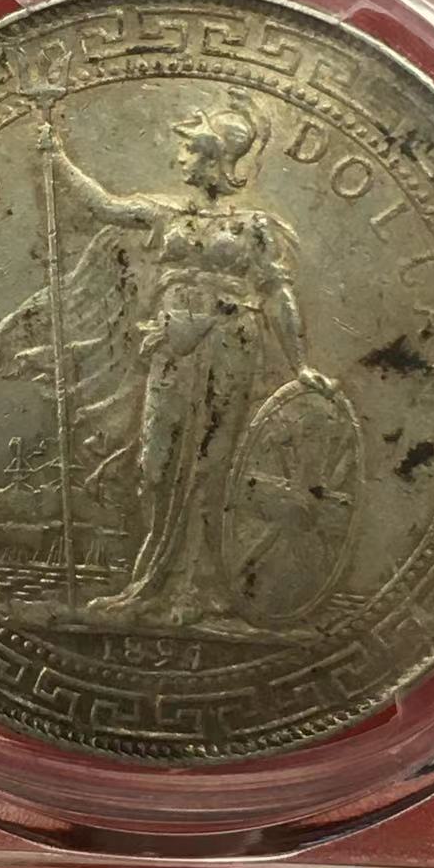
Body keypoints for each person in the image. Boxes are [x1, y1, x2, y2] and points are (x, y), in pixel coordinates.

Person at [44, 99, 336, 628]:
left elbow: (278, 295)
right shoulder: (165, 214)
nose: (178, 158)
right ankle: (150, 583)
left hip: (231, 343)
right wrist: (56, 157)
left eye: (188, 148)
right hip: (173, 345)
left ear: (213, 157)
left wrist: (299, 366)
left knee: (210, 466)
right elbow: (104, 206)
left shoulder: (254, 227)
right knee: (155, 465)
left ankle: (196, 589)